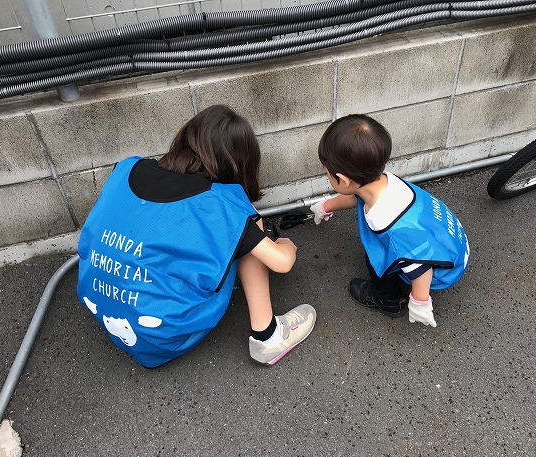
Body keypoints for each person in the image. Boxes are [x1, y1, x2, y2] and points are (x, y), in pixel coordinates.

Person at [76, 105, 316, 368]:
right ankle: (268, 336)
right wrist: (284, 244)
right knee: (247, 224)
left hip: (101, 306)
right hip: (163, 334)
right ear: (239, 163)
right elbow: (282, 262)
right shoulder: (219, 206)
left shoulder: (126, 168)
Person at [310, 114, 469, 327]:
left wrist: (420, 302)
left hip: (441, 269)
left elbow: (420, 265)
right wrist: (326, 206)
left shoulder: (391, 226)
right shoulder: (383, 181)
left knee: (377, 257)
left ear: (343, 180)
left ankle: (388, 302)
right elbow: (355, 196)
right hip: (450, 244)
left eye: (328, 174)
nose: (327, 176)